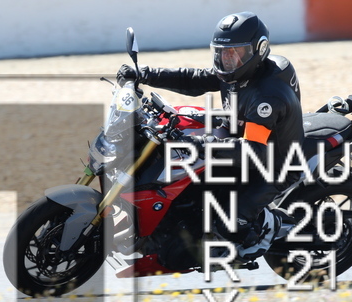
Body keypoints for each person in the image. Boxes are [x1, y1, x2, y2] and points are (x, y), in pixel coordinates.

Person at [116, 11, 304, 261]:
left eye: (236, 53)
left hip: (273, 163)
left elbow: (253, 150)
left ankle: (269, 226)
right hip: (237, 137)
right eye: (222, 53)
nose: (228, 59)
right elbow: (193, 79)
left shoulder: (267, 98)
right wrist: (145, 74)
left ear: (258, 50)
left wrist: (203, 143)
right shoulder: (239, 71)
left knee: (229, 224)